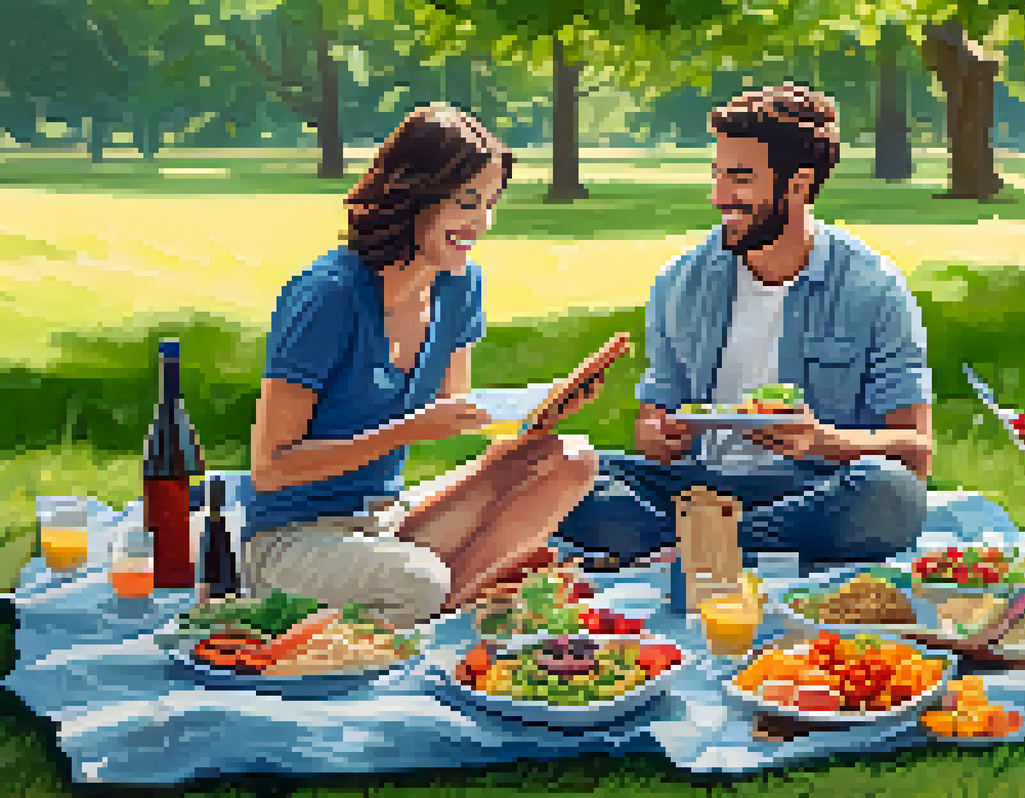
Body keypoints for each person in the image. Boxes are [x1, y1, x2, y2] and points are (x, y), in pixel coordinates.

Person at [247, 104, 601, 626]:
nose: (480, 224)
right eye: (466, 203)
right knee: (421, 582)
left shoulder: (459, 286)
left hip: (384, 519)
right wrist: (403, 431)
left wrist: (539, 415)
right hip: (293, 537)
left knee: (571, 458)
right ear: (414, 195)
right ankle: (466, 597)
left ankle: (446, 597)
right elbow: (271, 468)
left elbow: (456, 408)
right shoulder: (328, 295)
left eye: (490, 204)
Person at [555, 84, 933, 570]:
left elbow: (915, 452)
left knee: (890, 494)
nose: (718, 197)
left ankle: (686, 551)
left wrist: (820, 441)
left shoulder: (873, 287)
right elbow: (652, 427)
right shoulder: (680, 282)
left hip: (814, 490)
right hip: (698, 486)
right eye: (716, 175)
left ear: (798, 184)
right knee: (562, 469)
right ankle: (720, 550)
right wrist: (658, 434)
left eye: (739, 178)